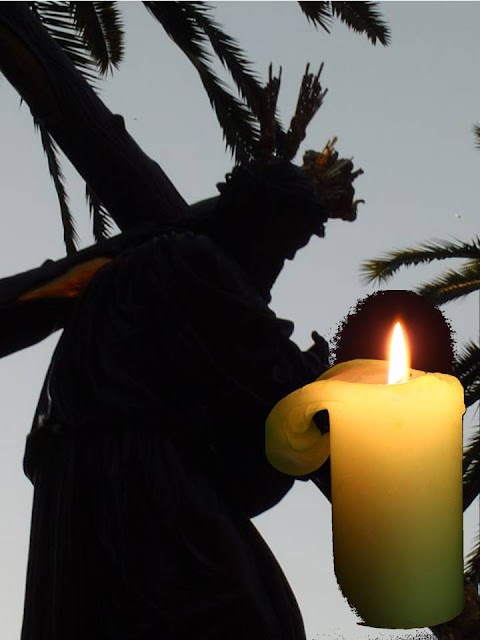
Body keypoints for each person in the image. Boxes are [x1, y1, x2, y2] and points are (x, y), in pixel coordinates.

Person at [20, 159, 332, 640]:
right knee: (242, 615)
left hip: (100, 474)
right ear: (256, 219)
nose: (277, 268)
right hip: (126, 478)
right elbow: (263, 372)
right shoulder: (191, 262)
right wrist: (318, 385)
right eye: (282, 250)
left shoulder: (163, 262)